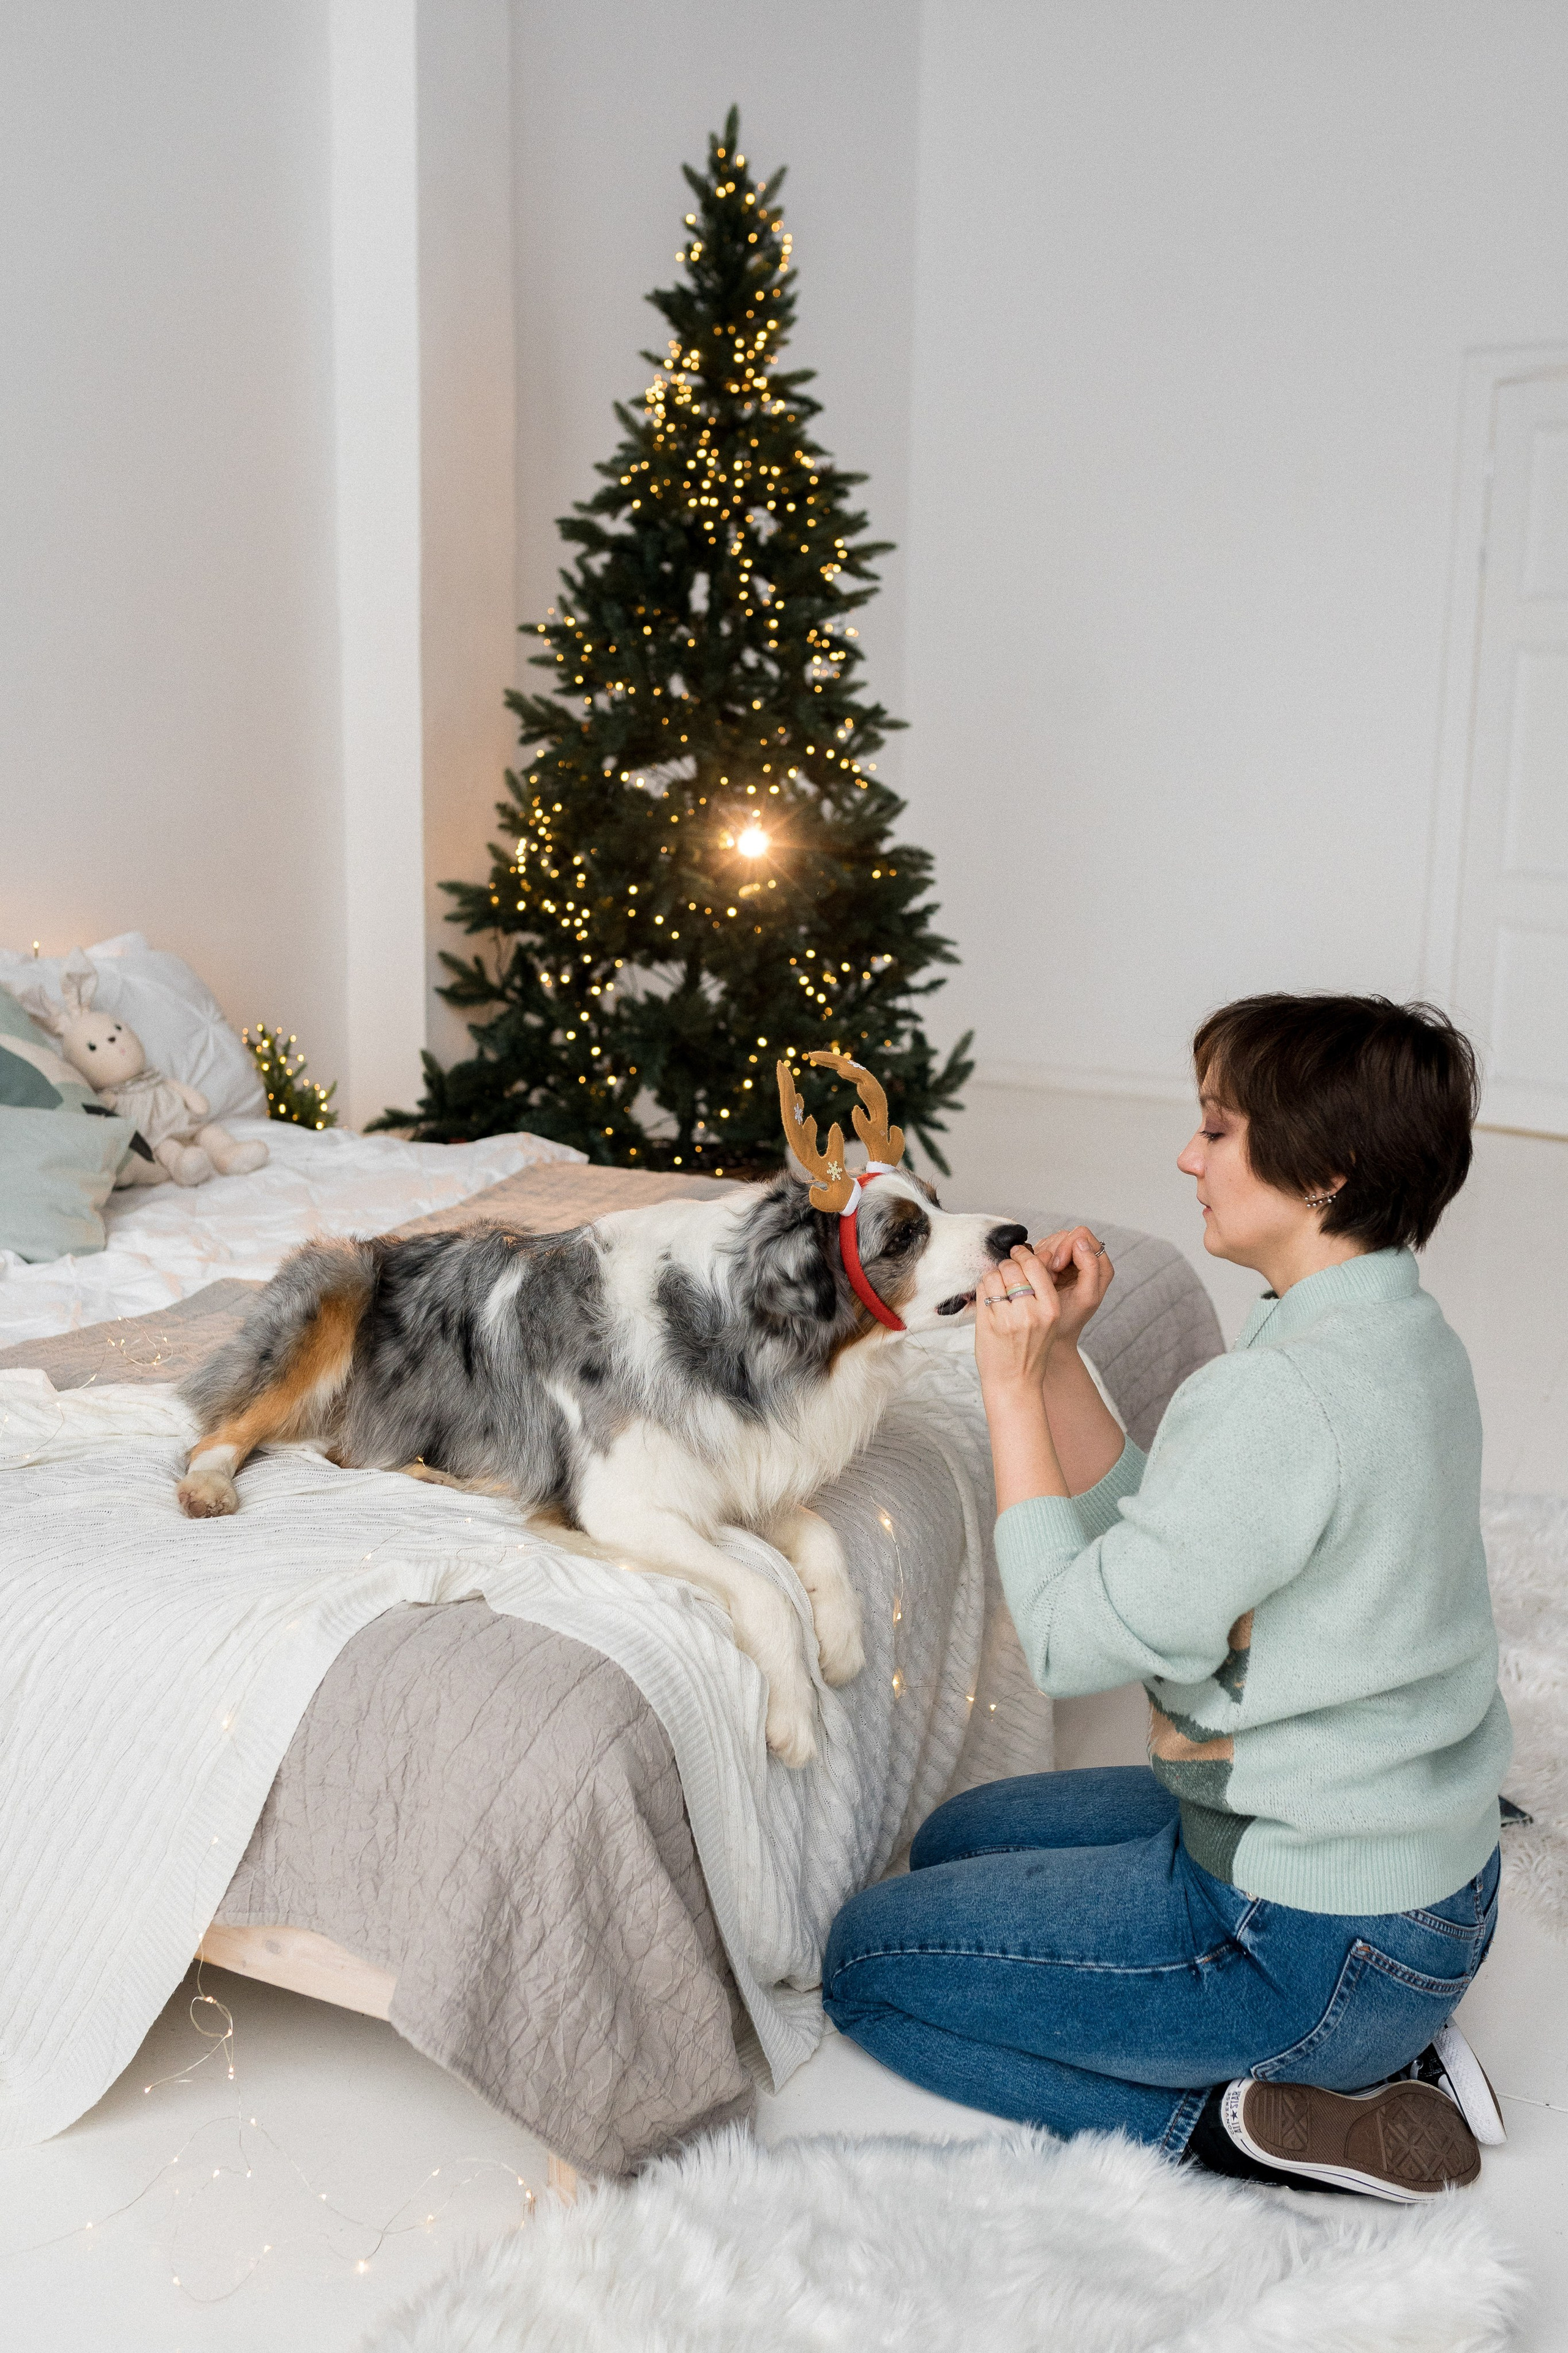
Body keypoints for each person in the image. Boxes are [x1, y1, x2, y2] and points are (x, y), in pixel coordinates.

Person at [823, 993, 1512, 2200]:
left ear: (1327, 1168)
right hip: (1405, 1893)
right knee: (952, 1841)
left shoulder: (1281, 1395)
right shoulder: (1395, 1336)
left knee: (867, 1963)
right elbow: (1176, 1555)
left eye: (1218, 1129)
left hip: (1299, 1940)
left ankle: (1238, 2122)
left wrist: (1005, 1389)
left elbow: (1066, 1635)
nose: (1185, 1158)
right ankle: (1388, 2043)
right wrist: (1066, 1360)